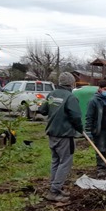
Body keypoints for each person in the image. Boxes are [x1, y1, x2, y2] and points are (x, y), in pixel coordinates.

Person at [38, 72, 83, 202]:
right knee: (65, 162)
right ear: (71, 83)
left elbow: (43, 110)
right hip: (65, 134)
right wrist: (80, 129)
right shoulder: (70, 97)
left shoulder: (52, 94)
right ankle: (54, 191)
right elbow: (76, 116)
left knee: (55, 160)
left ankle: (54, 186)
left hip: (52, 133)